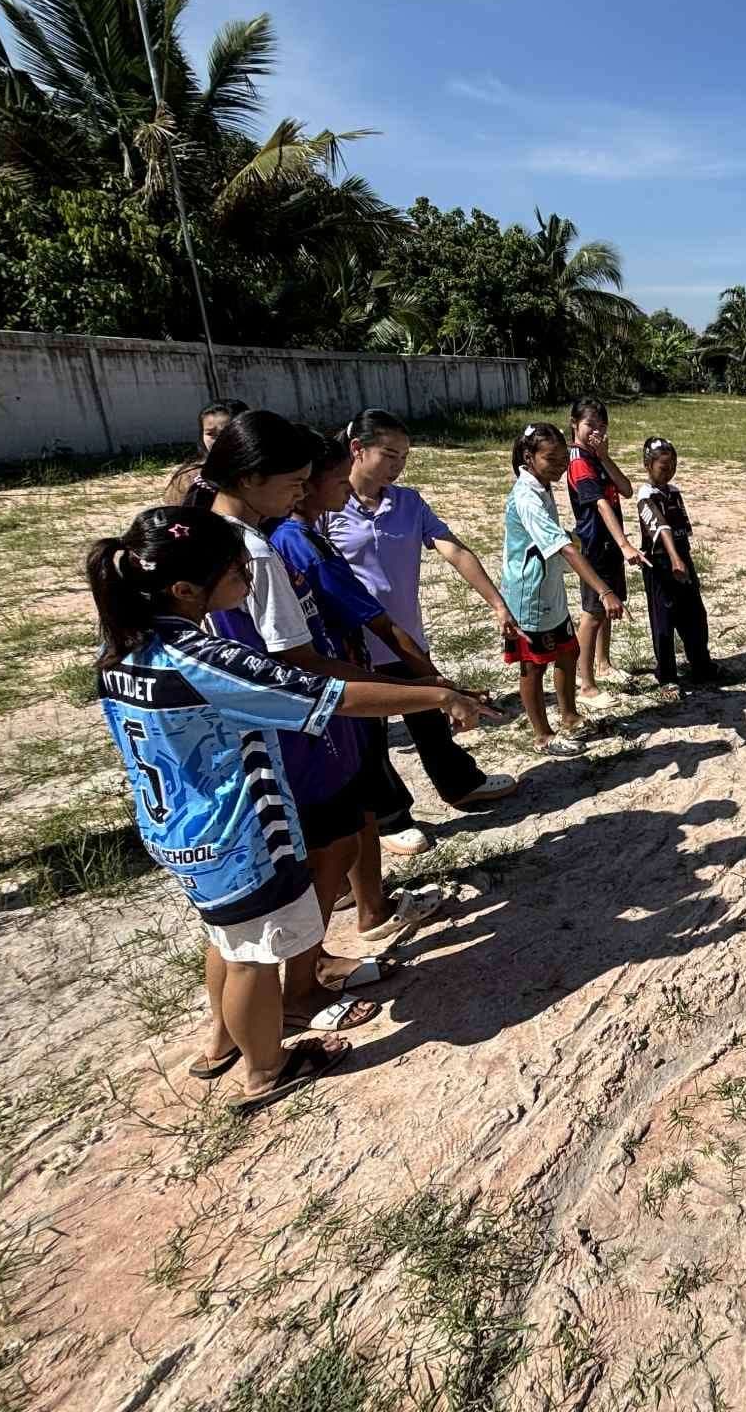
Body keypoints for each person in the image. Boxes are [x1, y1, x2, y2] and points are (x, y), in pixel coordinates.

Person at [86, 507, 497, 1111]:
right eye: (235, 571)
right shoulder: (201, 660)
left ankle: (221, 1045)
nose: (246, 579)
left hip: (178, 827)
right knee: (256, 956)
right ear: (185, 589)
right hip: (239, 833)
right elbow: (330, 697)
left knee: (227, 941)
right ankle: (267, 1068)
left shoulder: (124, 646)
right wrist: (440, 693)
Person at [189, 411, 400, 1031]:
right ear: (253, 477)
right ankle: (301, 989)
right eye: (294, 481)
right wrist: (396, 688)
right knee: (327, 844)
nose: (302, 493)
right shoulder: (254, 550)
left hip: (242, 736)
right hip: (294, 732)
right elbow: (296, 659)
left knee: (237, 917)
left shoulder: (202, 532)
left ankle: (228, 1031)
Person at [270, 430, 444, 944]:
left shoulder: (297, 536)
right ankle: (354, 921)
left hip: (342, 683)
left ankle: (365, 899)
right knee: (350, 819)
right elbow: (376, 619)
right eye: (331, 479)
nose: (346, 487)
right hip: (345, 688)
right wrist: (433, 683)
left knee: (358, 808)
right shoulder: (298, 544)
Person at [331, 408, 519, 853]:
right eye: (390, 455)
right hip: (354, 649)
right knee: (371, 738)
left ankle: (461, 785)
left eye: (404, 456)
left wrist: (496, 602)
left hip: (406, 637)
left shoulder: (408, 503)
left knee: (430, 718)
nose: (398, 465)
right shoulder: (328, 507)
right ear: (357, 450)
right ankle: (390, 817)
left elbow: (452, 548)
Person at [503, 422, 625, 755]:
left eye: (563, 458)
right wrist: (604, 590)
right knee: (533, 664)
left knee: (568, 650)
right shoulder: (526, 496)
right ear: (529, 458)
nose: (560, 465)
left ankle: (569, 716)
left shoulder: (541, 486)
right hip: (529, 595)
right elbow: (564, 549)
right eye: (551, 458)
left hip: (549, 588)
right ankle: (542, 735)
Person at [566, 398, 648, 706]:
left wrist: (606, 457)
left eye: (601, 427)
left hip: (609, 543)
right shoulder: (578, 461)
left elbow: (625, 490)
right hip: (594, 546)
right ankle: (585, 684)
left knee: (607, 610)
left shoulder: (595, 456)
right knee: (592, 613)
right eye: (589, 425)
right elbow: (600, 504)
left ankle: (603, 664)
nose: (595, 432)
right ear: (574, 424)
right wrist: (625, 544)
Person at [634, 436, 717, 699]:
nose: (669, 470)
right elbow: (660, 527)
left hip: (681, 558)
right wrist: (674, 559)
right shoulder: (646, 496)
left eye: (673, 465)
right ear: (648, 465)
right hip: (660, 563)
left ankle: (701, 664)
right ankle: (667, 676)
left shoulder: (674, 492)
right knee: (663, 621)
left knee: (694, 613)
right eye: (663, 466)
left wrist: (684, 560)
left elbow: (681, 529)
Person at [163, 398, 251, 503]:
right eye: (210, 434)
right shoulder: (191, 477)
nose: (217, 440)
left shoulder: (264, 471)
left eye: (224, 433)